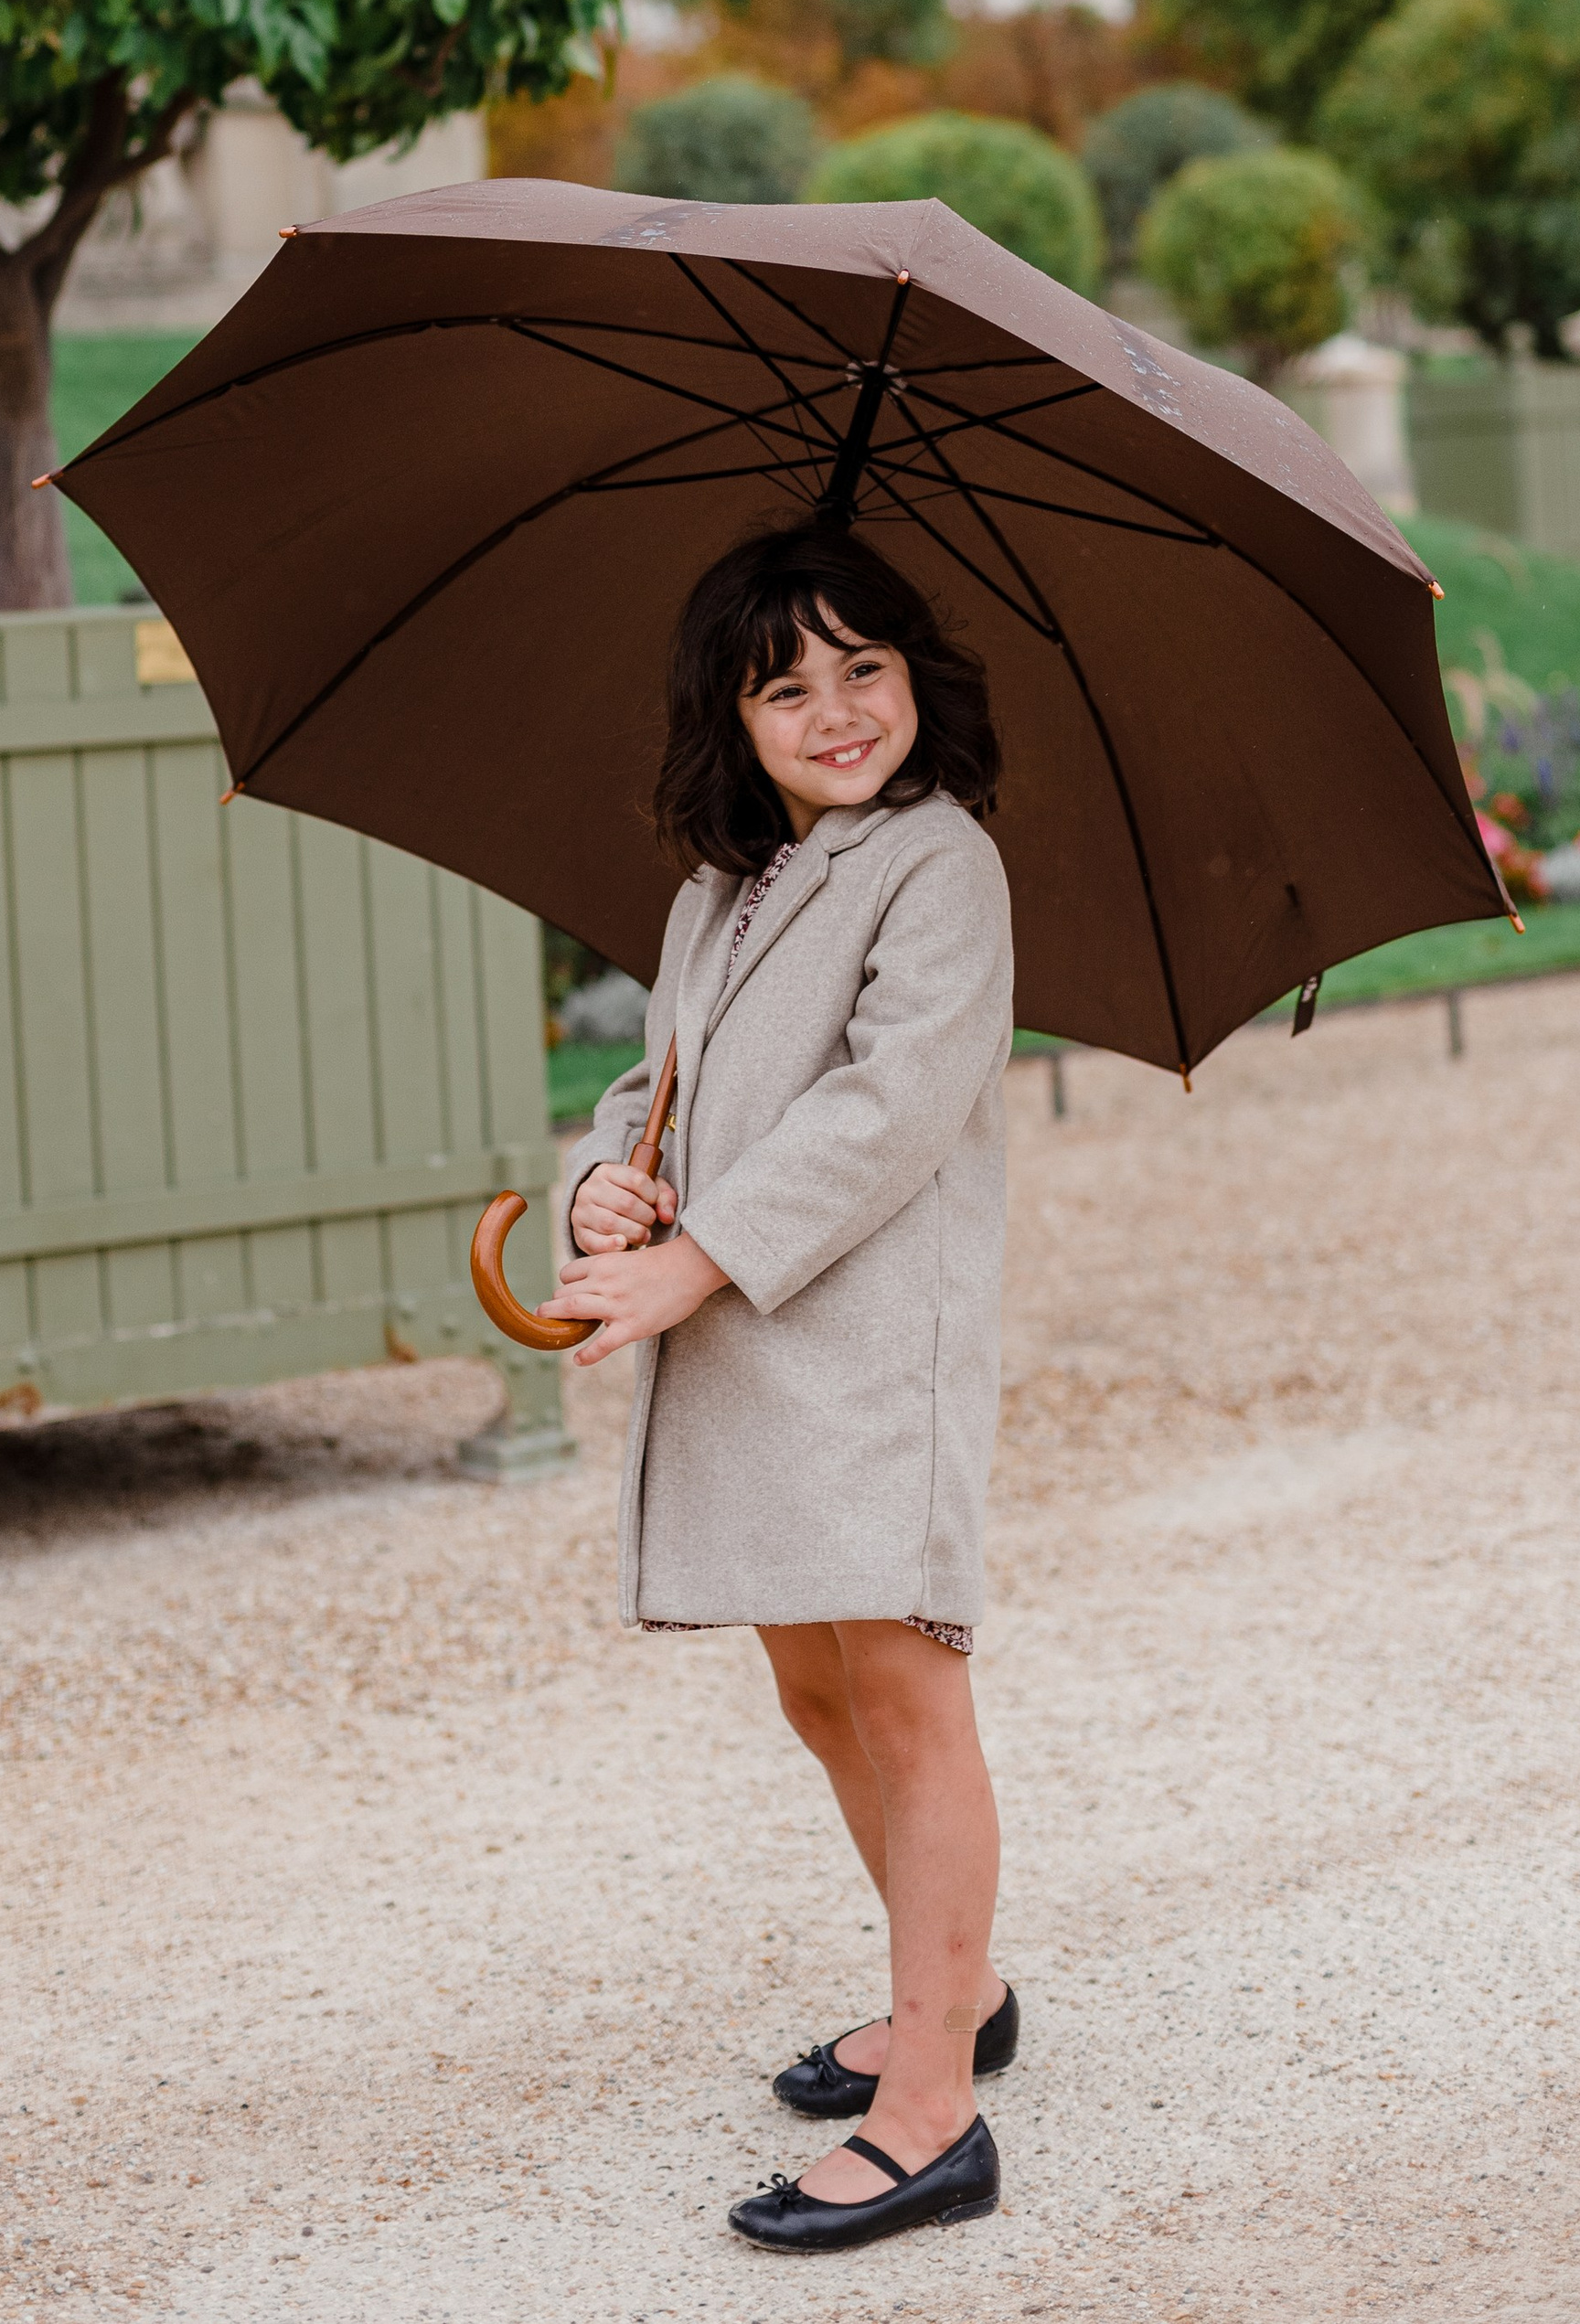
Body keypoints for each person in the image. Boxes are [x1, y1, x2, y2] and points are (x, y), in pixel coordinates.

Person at [551, 517, 1018, 2256]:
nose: (834, 710)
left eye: (865, 669)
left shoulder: (937, 864)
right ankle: (948, 1985)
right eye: (786, 684)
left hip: (865, 1356)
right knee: (816, 1697)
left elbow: (885, 1109)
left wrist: (697, 1256)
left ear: (919, 684)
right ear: (731, 720)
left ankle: (934, 2114)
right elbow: (658, 1083)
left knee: (906, 1700)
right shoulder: (721, 890)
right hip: (754, 1348)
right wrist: (614, 1177)